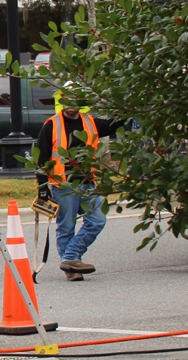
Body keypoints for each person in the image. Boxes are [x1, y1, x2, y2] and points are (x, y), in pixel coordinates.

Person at [35, 90, 117, 282]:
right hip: (63, 185)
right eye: (67, 99)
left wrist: (127, 108)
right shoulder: (51, 125)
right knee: (66, 227)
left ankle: (70, 257)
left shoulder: (91, 122)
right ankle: (71, 270)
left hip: (88, 183)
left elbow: (116, 124)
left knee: (97, 220)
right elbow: (42, 157)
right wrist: (42, 186)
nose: (71, 104)